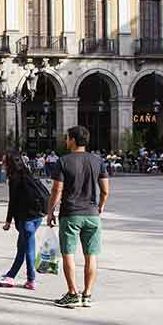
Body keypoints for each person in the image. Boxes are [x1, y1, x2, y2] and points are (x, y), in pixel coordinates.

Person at [47, 126, 109, 309]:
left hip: (71, 214)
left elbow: (57, 189)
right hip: (92, 215)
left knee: (69, 254)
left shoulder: (63, 161)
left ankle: (73, 293)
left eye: (67, 138)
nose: (66, 141)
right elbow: (105, 190)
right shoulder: (97, 161)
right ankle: (87, 295)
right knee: (91, 256)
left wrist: (51, 211)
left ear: (73, 140)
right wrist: (100, 207)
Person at [0, 151, 47, 290]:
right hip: (37, 216)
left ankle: (31, 280)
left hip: (26, 218)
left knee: (28, 249)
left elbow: (13, 201)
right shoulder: (29, 173)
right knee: (22, 248)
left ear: (11, 163)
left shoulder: (15, 178)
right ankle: (10, 276)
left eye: (4, 161)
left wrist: (8, 221)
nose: (2, 163)